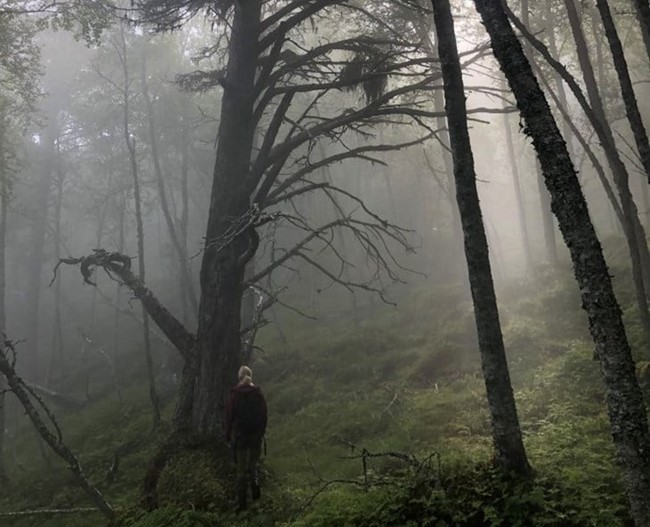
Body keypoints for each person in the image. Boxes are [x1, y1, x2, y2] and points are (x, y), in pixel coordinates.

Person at [224, 365, 267, 511]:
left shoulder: (235, 394)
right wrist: (261, 432)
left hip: (241, 437)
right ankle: (256, 495)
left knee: (241, 471)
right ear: (250, 376)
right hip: (255, 436)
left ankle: (242, 504)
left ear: (239, 378)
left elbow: (229, 417)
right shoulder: (258, 393)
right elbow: (264, 415)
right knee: (253, 465)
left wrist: (228, 435)